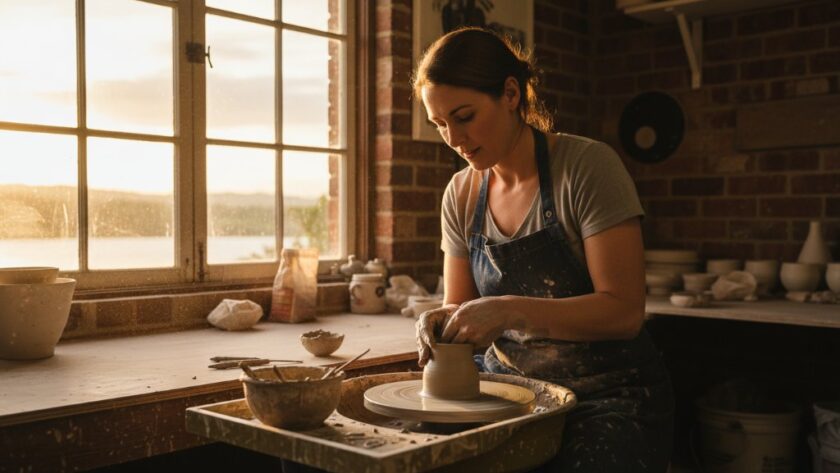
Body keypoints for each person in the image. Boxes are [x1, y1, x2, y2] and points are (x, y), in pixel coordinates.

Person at [412, 27, 674, 472]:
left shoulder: (587, 168)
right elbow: (460, 304)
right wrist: (441, 319)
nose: (453, 139)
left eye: (464, 116)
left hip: (609, 394)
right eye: (440, 124)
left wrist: (512, 311)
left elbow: (625, 312)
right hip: (509, 389)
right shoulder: (459, 194)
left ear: (510, 94)